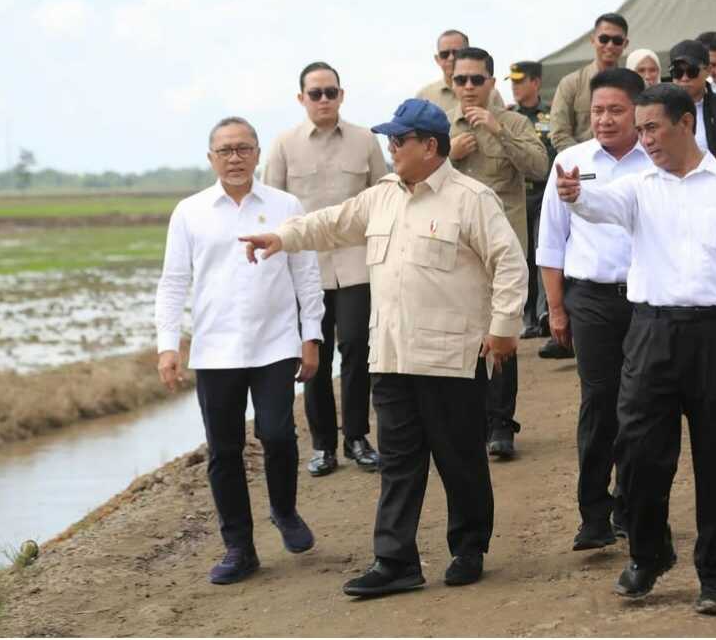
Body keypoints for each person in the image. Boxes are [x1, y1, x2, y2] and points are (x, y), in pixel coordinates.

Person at [240, 98, 528, 596]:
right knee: (398, 463)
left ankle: (468, 548)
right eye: (389, 139)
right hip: (391, 356)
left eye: (399, 140)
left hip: (449, 358)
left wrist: (503, 329)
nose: (390, 148)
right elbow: (330, 223)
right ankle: (395, 562)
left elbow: (509, 262)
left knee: (459, 460)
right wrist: (281, 238)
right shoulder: (382, 196)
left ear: (430, 146)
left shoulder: (470, 199)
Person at [556, 83, 716, 614]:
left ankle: (715, 573)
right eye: (640, 130)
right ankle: (649, 553)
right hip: (651, 331)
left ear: (686, 123)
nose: (645, 139)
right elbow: (599, 204)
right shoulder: (639, 188)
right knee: (637, 452)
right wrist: (575, 195)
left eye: (653, 127)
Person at [155, 116, 325, 585]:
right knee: (224, 450)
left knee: (279, 435)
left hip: (275, 343)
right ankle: (239, 548)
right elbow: (173, 282)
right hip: (215, 350)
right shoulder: (189, 212)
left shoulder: (285, 205)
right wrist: (168, 346)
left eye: (244, 149)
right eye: (225, 150)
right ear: (211, 158)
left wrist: (311, 336)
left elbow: (306, 275)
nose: (235, 158)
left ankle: (284, 510)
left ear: (257, 155)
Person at [537, 68, 651, 551]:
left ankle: (632, 507)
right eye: (597, 110)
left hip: (648, 300)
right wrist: (556, 309)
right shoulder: (571, 161)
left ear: (638, 111)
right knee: (599, 404)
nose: (604, 119)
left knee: (641, 405)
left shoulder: (657, 160)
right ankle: (594, 514)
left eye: (615, 110)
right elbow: (550, 241)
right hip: (591, 300)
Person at [264, 62, 388, 477]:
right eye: (315, 93)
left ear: (341, 95)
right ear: (301, 98)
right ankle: (322, 445)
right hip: (306, 267)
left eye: (330, 92)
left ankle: (357, 437)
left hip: (357, 264)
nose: (323, 100)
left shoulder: (365, 140)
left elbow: (384, 198)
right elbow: (273, 208)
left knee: (356, 348)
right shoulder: (284, 145)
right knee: (313, 353)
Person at [448, 48, 549, 458]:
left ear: (491, 82)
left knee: (502, 333)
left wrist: (499, 130)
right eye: (461, 80)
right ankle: (470, 422)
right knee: (461, 337)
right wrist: (448, 155)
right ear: (452, 83)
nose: (469, 87)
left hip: (502, 249)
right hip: (455, 249)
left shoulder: (514, 122)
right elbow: (411, 174)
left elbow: (539, 167)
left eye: (477, 79)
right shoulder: (440, 126)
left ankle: (501, 424)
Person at [506, 61, 556, 343]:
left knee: (542, 253)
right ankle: (526, 318)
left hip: (544, 193)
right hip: (518, 195)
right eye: (512, 82)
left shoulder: (551, 114)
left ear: (535, 83)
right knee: (520, 256)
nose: (514, 87)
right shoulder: (509, 117)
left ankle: (543, 314)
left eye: (520, 81)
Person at [549, 13, 629, 151]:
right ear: (593, 40)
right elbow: (559, 133)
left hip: (625, 160)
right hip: (582, 161)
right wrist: (584, 159)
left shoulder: (634, 85)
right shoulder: (570, 84)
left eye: (617, 41)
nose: (610, 45)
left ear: (625, 44)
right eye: (604, 39)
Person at [666, 39, 716, 156]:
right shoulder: (662, 109)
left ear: (708, 70)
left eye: (692, 71)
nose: (684, 78)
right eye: (677, 72)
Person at [415, 29, 504, 113]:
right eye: (445, 54)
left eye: (457, 53)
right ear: (437, 59)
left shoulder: (491, 94)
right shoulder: (424, 96)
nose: (451, 58)